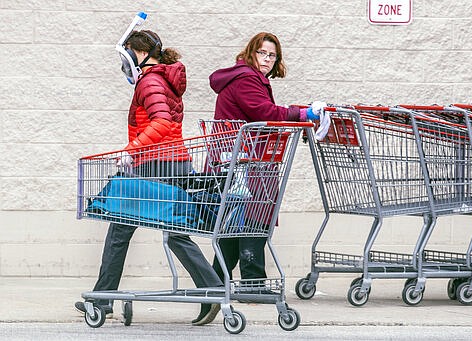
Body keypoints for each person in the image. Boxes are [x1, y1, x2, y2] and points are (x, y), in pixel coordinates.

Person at [75, 29, 223, 326]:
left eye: (127, 53)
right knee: (176, 231)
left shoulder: (150, 80)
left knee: (119, 229)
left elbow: (161, 121)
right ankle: (214, 290)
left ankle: (103, 301)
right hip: (176, 163)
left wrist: (132, 149)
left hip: (154, 163)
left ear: (139, 53)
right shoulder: (163, 79)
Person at [208, 32, 325, 300]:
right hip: (244, 160)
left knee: (236, 221)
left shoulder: (244, 76)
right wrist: (303, 114)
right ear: (251, 52)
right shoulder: (247, 78)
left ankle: (215, 281)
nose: (268, 59)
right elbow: (266, 113)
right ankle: (251, 282)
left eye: (272, 55)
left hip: (237, 158)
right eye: (262, 53)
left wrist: (296, 113)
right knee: (252, 217)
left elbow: (262, 111)